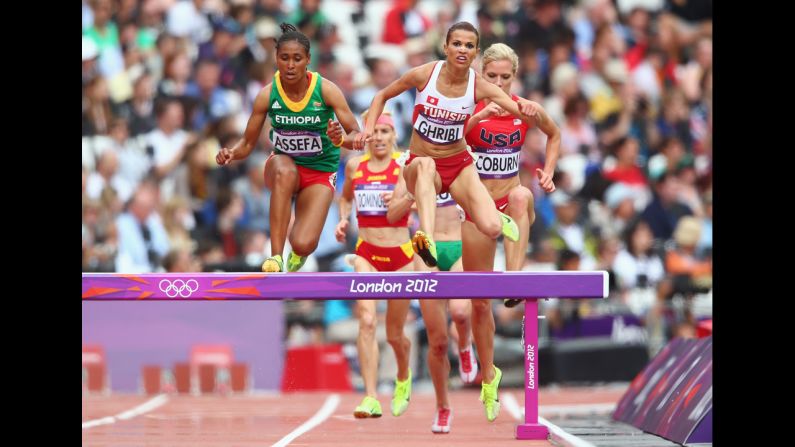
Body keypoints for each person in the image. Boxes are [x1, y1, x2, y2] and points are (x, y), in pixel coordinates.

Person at [356, 21, 540, 272]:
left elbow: (519, 109)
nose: (462, 49)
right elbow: (381, 96)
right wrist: (367, 130)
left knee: (492, 228)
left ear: (475, 52)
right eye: (456, 44)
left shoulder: (478, 85)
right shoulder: (425, 74)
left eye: (469, 45)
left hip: (457, 165)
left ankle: (498, 217)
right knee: (427, 164)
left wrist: (529, 108)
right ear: (446, 47)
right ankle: (426, 237)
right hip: (422, 164)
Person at [461, 43, 560, 422]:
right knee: (479, 303)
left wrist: (548, 172)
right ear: (480, 76)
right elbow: (449, 145)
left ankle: (515, 279)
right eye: (492, 77)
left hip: (509, 200)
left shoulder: (523, 109)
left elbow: (555, 133)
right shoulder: (469, 108)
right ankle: (489, 375)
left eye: (505, 77)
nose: (499, 83)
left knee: (521, 194)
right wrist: (480, 114)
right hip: (476, 208)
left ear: (513, 78)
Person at [216, 23, 365, 272]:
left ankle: (298, 252)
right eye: (284, 58)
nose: (290, 64)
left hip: (319, 170)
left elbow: (355, 136)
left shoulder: (326, 90)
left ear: (308, 59)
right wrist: (232, 152)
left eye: (297, 58)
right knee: (286, 171)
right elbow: (247, 143)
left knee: (304, 243)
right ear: (276, 59)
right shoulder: (267, 94)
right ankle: (275, 256)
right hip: (283, 164)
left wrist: (340, 139)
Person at [334, 110, 416, 419]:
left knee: (394, 334)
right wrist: (343, 219)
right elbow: (344, 197)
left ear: (393, 136)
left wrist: (400, 201)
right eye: (374, 131)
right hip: (366, 254)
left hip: (400, 258)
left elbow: (428, 200)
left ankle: (403, 375)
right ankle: (369, 396)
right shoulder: (355, 165)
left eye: (385, 131)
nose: (379, 137)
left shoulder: (404, 165)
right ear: (366, 136)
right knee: (367, 322)